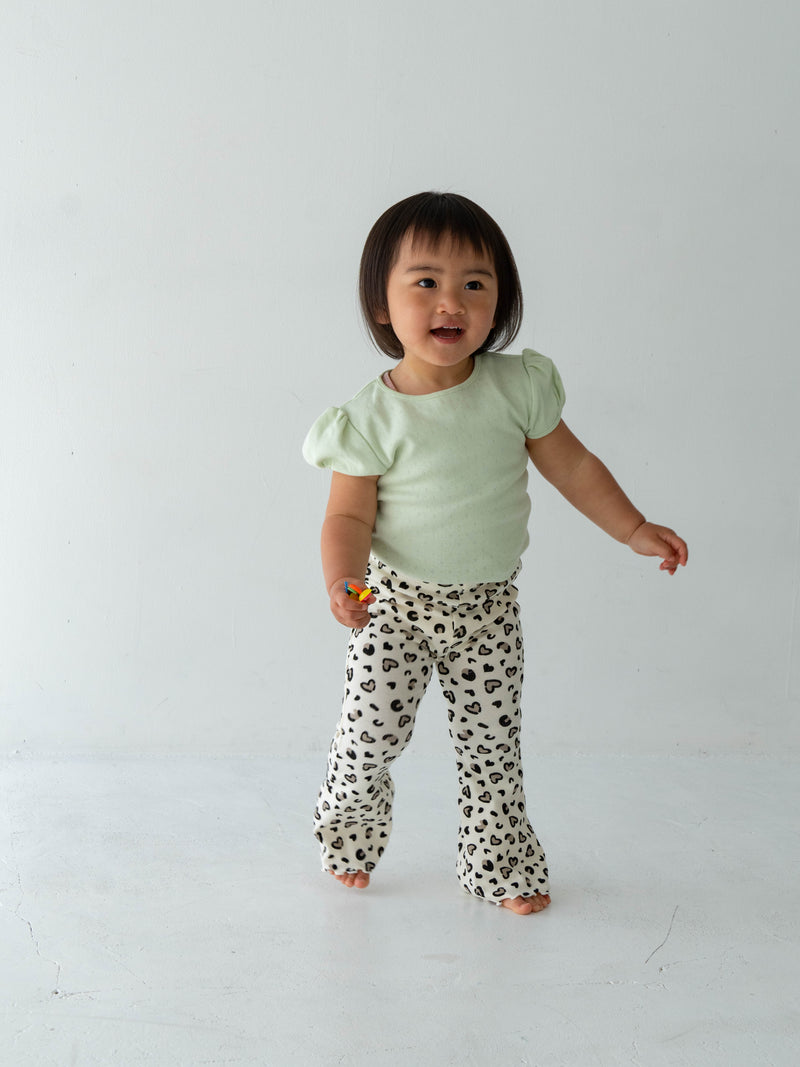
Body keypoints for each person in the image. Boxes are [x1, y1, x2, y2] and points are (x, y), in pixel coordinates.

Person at [302, 191, 688, 916]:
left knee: (493, 750)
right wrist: (342, 579)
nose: (451, 301)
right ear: (381, 303)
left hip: (487, 610)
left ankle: (498, 865)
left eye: (474, 283)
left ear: (499, 300)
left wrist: (633, 528)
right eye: (426, 281)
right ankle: (346, 835)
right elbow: (347, 515)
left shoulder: (516, 388)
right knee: (369, 738)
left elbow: (575, 468)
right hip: (392, 608)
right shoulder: (370, 418)